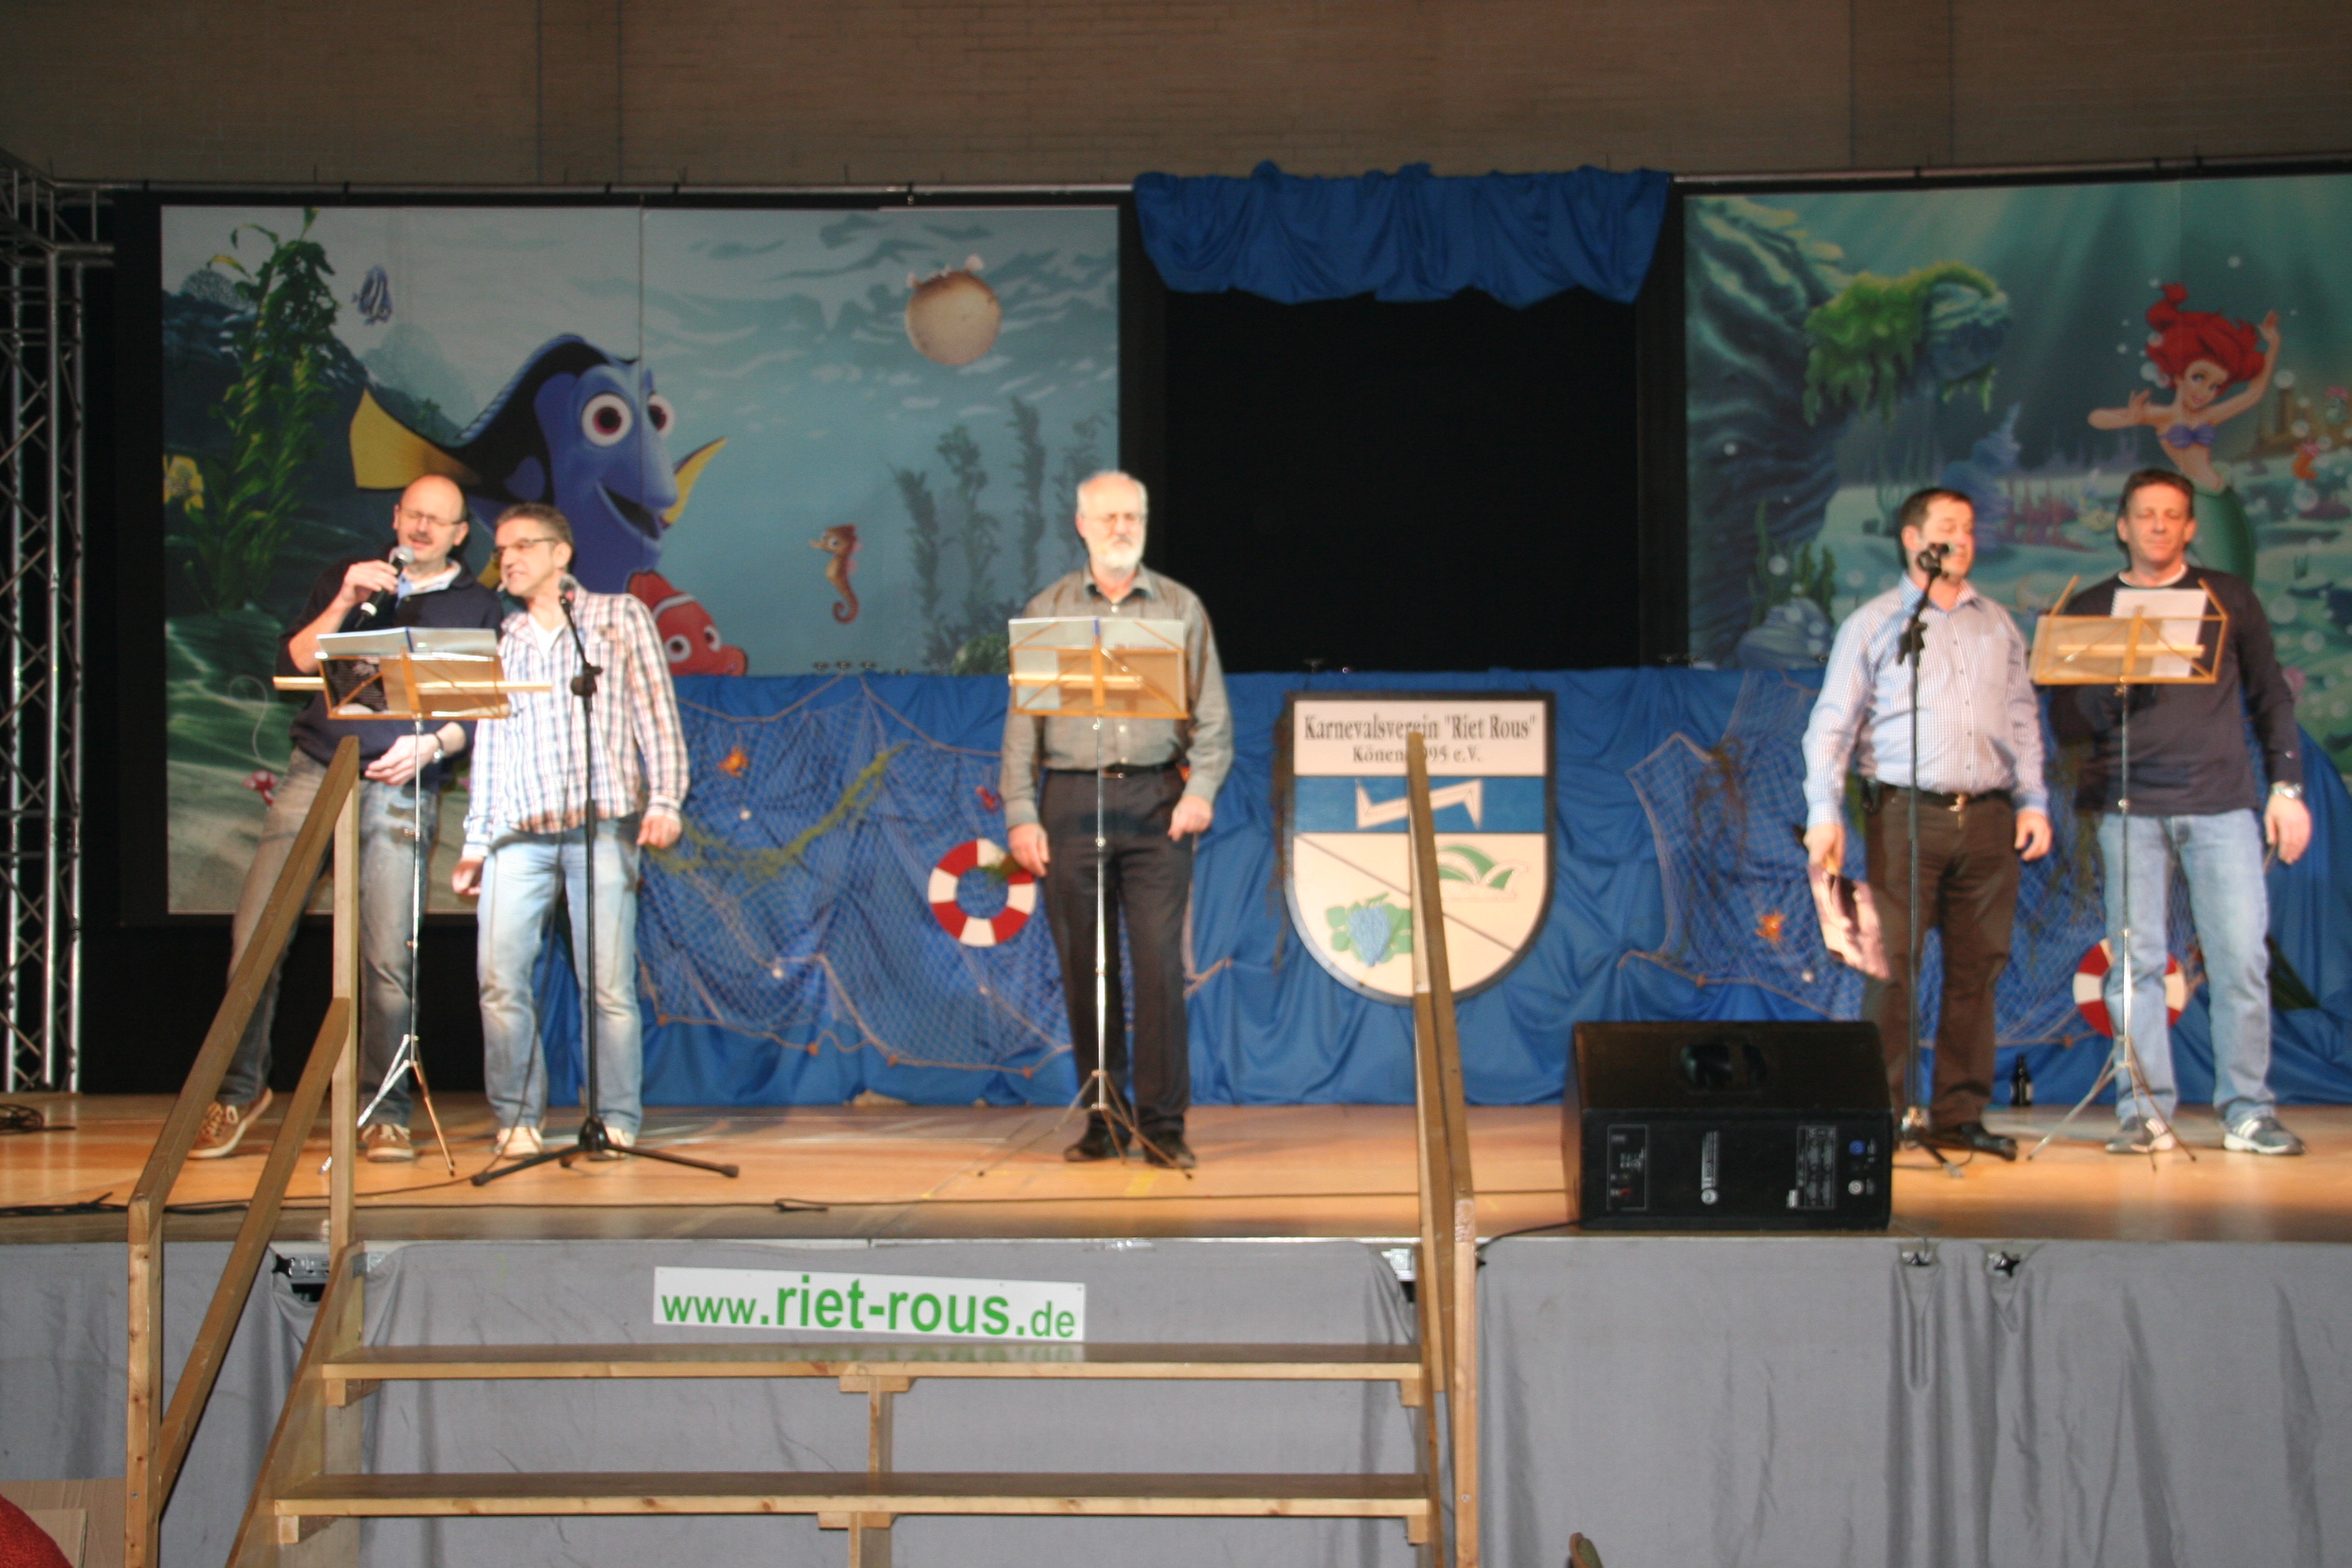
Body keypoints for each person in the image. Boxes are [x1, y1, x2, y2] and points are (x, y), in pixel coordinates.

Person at [193, 475, 505, 1163]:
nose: (421, 528)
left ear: (460, 534)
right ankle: (239, 1091)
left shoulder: (478, 604)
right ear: (395, 516)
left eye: (438, 520)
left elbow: (477, 713)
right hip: (317, 770)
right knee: (256, 938)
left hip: (403, 784)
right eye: (413, 514)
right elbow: (293, 662)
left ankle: (383, 1110)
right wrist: (344, 600)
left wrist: (431, 744)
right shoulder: (353, 579)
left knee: (387, 957)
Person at [2058, 468, 2311, 1156]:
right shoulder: (2092, 605)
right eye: (2146, 514)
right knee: (2134, 965)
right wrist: (2108, 691)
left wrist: (2287, 788)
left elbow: (2270, 695)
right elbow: (2066, 720)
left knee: (2240, 961)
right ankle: (2143, 1112)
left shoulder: (2226, 597)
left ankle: (2247, 1109)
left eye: (2172, 515)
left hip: (2220, 803)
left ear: (2191, 527)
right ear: (2123, 526)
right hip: (2128, 808)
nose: (2159, 526)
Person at [1802, 487, 2054, 1159]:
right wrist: (1824, 811)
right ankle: (1883, 1113)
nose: (1962, 539)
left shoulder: (1996, 623)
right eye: (1948, 527)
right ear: (1912, 540)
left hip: (1989, 815)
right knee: (1892, 965)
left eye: (1968, 527)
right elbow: (1832, 725)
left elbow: (2022, 717)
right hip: (1904, 814)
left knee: (1978, 968)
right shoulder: (1875, 623)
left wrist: (2033, 800)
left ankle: (1958, 1113)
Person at [1002, 472, 1231, 1170]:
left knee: (1158, 968)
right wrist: (1021, 812)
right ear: (1081, 525)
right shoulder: (1049, 608)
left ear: (1145, 522)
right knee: (1086, 969)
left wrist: (1201, 791)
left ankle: (1163, 1124)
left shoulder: (1180, 607)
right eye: (1107, 518)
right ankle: (1104, 1120)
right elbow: (1022, 728)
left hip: (1158, 804)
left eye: (1132, 516)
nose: (1121, 528)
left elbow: (1213, 719)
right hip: (1071, 803)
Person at [452, 502, 688, 1158]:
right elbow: (490, 747)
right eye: (502, 550)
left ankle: (613, 1117)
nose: (509, 559)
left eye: (523, 546)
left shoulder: (617, 617)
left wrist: (665, 800)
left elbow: (656, 713)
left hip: (601, 826)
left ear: (562, 553)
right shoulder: (502, 638)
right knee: (500, 979)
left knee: (606, 985)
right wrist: (476, 842)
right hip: (517, 831)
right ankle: (517, 1117)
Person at [2087, 284, 2280, 582]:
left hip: (2222, 496)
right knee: (2211, 573)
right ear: (2177, 373)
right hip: (2192, 499)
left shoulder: (2209, 416)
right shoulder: (2162, 416)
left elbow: (2254, 394)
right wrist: (2129, 417)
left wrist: (2274, 345)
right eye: (2199, 377)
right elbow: (2096, 419)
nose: (2205, 392)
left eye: (2214, 386)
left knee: (2240, 572)